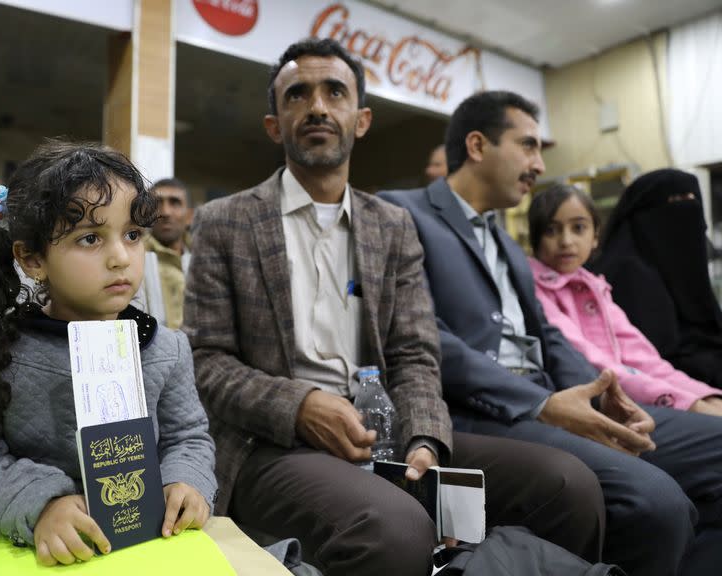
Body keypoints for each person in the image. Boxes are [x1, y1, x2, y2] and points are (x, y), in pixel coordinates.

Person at [185, 39, 605, 576]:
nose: (317, 106)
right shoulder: (226, 222)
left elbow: (414, 352)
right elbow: (205, 361)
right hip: (270, 443)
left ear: (361, 120)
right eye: (297, 95)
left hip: (384, 433)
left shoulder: (392, 224)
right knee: (395, 530)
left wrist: (425, 439)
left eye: (334, 92)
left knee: (568, 485)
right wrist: (301, 405)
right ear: (275, 125)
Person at [379, 90, 722, 576]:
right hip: (483, 411)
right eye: (528, 146)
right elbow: (422, 336)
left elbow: (549, 338)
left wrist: (606, 396)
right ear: (478, 146)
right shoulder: (401, 213)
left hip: (555, 399)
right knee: (656, 503)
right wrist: (541, 404)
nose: (539, 164)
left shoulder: (509, 244)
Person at [0, 141, 216, 565]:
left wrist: (186, 481)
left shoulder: (166, 349)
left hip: (146, 545)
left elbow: (187, 437)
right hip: (18, 544)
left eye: (133, 235)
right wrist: (42, 505)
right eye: (90, 238)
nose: (120, 258)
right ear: (32, 258)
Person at [527, 183, 722, 415]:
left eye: (578, 228)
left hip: (632, 394)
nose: (566, 240)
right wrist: (688, 404)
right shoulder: (534, 289)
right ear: (535, 240)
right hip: (588, 406)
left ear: (595, 236)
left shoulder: (595, 287)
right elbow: (593, 361)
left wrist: (703, 396)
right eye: (551, 230)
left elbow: (643, 357)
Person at [591, 169, 722, 389]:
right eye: (676, 201)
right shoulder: (627, 272)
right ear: (645, 214)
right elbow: (656, 363)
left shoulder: (671, 264)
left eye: (693, 200)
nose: (689, 212)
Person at [146, 177, 193, 329]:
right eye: (158, 203)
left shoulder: (204, 260)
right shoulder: (132, 259)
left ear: (189, 216)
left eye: (175, 202)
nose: (165, 212)